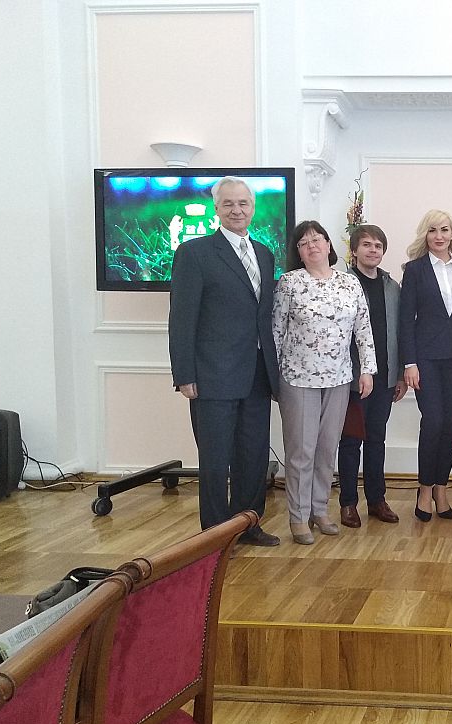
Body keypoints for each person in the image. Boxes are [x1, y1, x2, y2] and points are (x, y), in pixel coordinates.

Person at [168, 176, 280, 545]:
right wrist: (184, 374)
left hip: (257, 375)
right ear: (216, 209)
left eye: (243, 203)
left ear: (253, 208)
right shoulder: (194, 253)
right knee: (216, 461)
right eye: (228, 204)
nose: (236, 210)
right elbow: (182, 318)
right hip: (212, 375)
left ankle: (248, 525)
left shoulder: (265, 253)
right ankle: (215, 538)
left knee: (253, 456)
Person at [273, 220, 376, 545]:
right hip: (298, 378)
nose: (312, 246)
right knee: (301, 451)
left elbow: (363, 329)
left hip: (339, 378)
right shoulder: (289, 283)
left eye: (317, 240)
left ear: (329, 245)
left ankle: (319, 510)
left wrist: (367, 370)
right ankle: (298, 517)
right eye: (304, 243)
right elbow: (275, 332)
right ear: (299, 252)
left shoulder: (349, 282)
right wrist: (272, 378)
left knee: (327, 448)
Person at [398, 210, 452, 522]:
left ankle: (441, 488)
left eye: (444, 230)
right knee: (433, 421)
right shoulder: (415, 270)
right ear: (425, 235)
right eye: (432, 230)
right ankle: (424, 489)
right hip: (426, 359)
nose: (439, 236)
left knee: (450, 424)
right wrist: (410, 363)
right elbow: (406, 320)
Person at [337, 225, 406, 528]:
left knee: (377, 440)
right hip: (352, 380)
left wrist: (400, 374)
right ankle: (348, 503)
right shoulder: (342, 284)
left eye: (378, 246)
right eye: (366, 245)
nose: (373, 250)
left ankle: (377, 500)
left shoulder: (392, 287)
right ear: (354, 251)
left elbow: (400, 333)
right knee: (351, 441)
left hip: (385, 378)